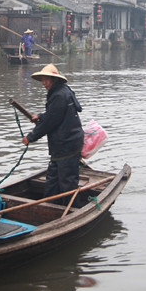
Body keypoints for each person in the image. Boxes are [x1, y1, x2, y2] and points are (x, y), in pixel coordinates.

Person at [22, 63, 84, 202]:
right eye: (42, 80)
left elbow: (49, 123)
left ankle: (72, 212)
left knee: (68, 184)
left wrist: (30, 137)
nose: (44, 83)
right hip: (62, 146)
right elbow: (54, 114)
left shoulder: (59, 95)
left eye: (46, 80)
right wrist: (41, 115)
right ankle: (49, 207)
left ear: (54, 79)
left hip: (67, 145)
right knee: (52, 181)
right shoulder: (61, 92)